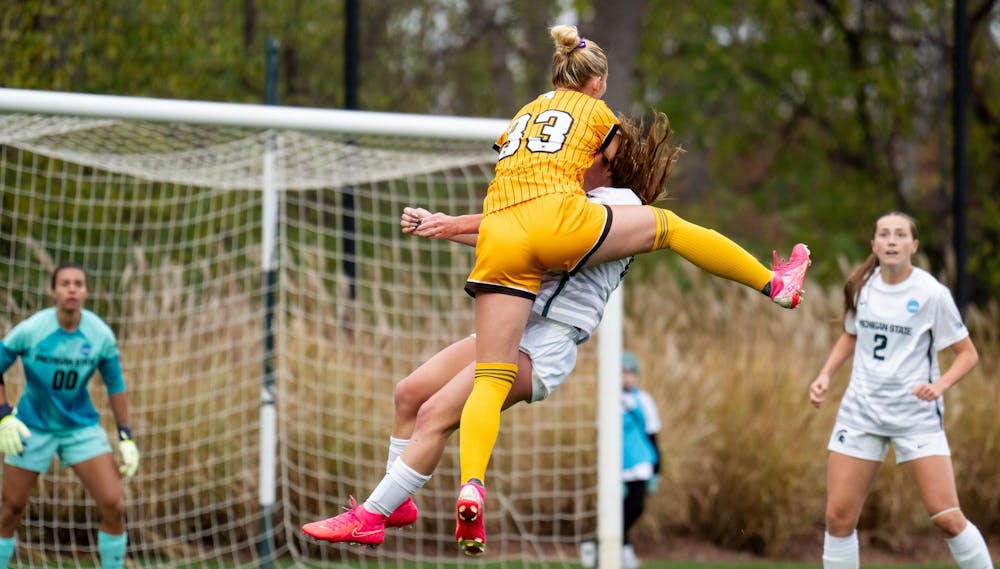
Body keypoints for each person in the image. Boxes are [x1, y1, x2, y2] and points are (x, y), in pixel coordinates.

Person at [303, 110, 803, 556]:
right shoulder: (568, 204)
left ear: (604, 163)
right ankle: (399, 501)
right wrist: (446, 224)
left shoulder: (616, 205)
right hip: (516, 324)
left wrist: (458, 223)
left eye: (578, 153)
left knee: (436, 413)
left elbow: (540, 231)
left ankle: (370, 517)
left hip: (545, 343)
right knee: (409, 394)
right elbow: (512, 230)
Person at [456, 24, 810, 556]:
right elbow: (616, 170)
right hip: (559, 223)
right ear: (596, 82)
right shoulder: (600, 115)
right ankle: (774, 283)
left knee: (489, 377)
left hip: (499, 228)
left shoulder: (521, 114)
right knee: (667, 226)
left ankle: (471, 483)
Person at [808, 212, 994, 569]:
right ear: (874, 245)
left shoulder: (931, 294)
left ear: (914, 245)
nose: (892, 240)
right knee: (838, 518)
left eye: (900, 234)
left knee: (947, 517)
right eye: (884, 234)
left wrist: (938, 386)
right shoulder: (862, 286)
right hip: (861, 412)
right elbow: (851, 333)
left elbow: (968, 354)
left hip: (915, 417)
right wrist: (825, 375)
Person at [0, 263, 140, 569]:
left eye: (78, 283)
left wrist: (126, 436)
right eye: (64, 283)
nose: (72, 289)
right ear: (53, 291)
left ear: (86, 292)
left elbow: (116, 386)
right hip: (31, 427)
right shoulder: (32, 330)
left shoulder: (100, 335)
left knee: (114, 504)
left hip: (80, 428)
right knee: (10, 510)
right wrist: (4, 416)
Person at [620, 351, 660, 569]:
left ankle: (620, 548)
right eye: (623, 372)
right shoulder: (609, 401)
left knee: (636, 506)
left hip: (641, 462)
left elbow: (653, 435)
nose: (627, 377)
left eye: (630, 372)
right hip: (617, 465)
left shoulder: (643, 400)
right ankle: (620, 551)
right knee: (618, 510)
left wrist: (657, 469)